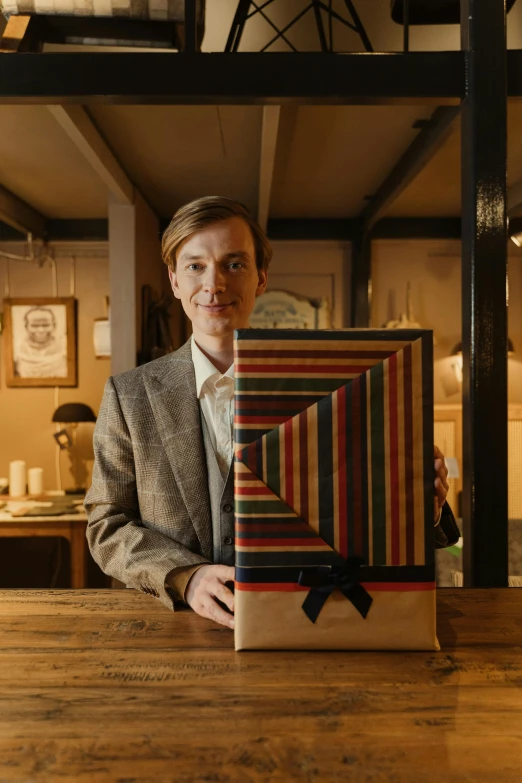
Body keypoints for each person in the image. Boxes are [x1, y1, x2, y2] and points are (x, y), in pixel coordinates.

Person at [85, 196, 460, 631]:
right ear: (173, 280)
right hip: (177, 630)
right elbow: (106, 525)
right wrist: (185, 577)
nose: (214, 284)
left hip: (309, 622)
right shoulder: (128, 396)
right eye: (195, 266)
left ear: (261, 277)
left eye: (234, 264)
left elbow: (359, 505)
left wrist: (419, 507)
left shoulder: (332, 386)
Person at [14, 306, 67, 378]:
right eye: (34, 326)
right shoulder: (17, 350)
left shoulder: (64, 348)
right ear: (26, 327)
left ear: (54, 325)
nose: (41, 330)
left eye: (46, 325)